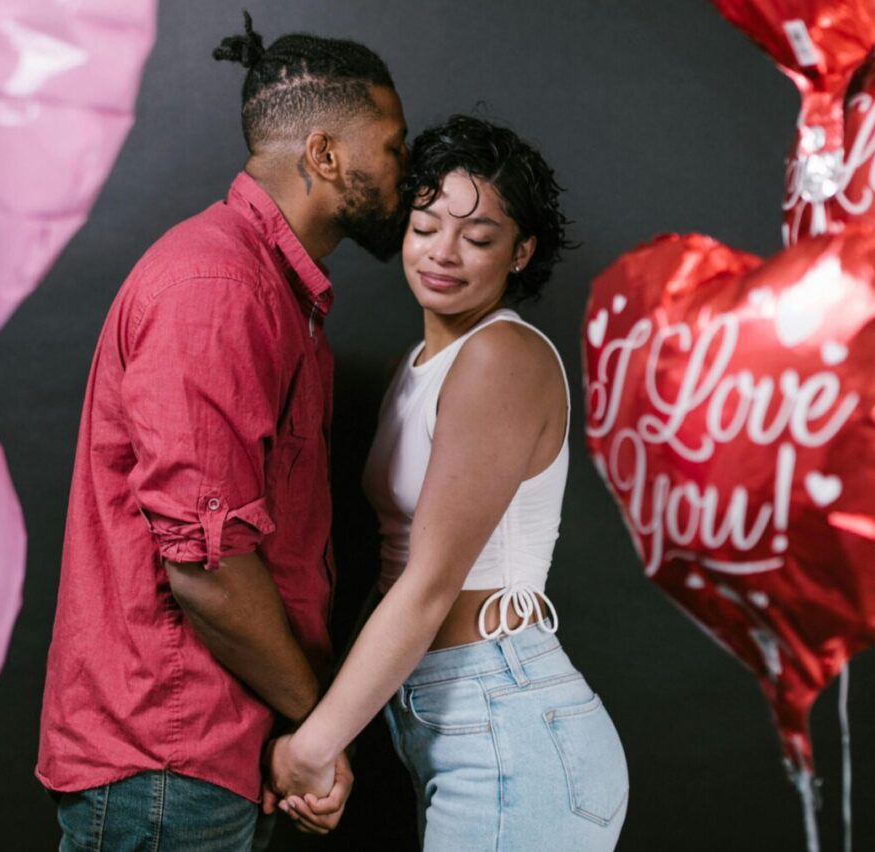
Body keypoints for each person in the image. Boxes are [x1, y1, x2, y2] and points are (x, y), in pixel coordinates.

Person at [35, 13, 408, 851]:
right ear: (323, 155)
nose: (404, 172)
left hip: (204, 755)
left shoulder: (270, 291)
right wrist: (318, 727)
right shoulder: (220, 287)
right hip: (168, 761)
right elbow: (205, 569)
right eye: (392, 145)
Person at [266, 115, 629, 850]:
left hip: (509, 721)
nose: (444, 253)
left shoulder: (501, 358)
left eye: (480, 237)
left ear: (521, 251)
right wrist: (338, 732)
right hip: (455, 718)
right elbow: (394, 570)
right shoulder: (423, 366)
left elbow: (430, 584)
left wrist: (311, 747)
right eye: (426, 225)